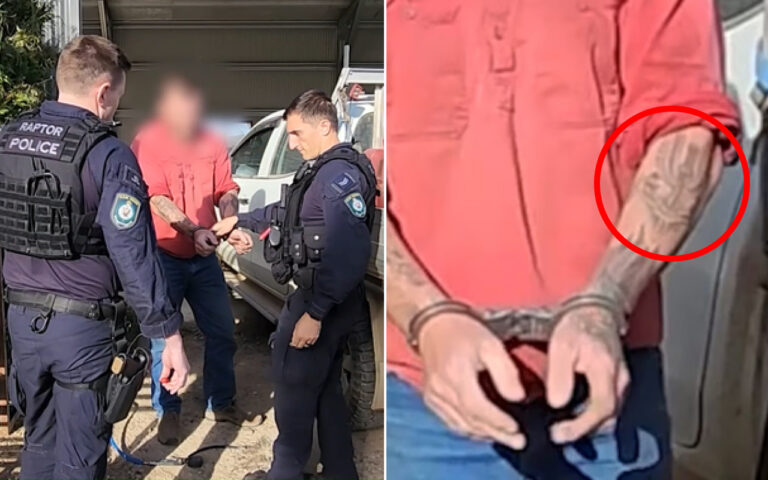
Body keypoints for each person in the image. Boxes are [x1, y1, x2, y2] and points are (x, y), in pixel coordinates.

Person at [386, 1, 740, 479]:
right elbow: (366, 190)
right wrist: (427, 318)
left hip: (607, 389)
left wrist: (604, 303)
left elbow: (687, 126)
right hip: (427, 396)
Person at [0, 35, 189, 480]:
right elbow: (134, 252)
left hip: (21, 326)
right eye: (116, 99)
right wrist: (169, 335)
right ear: (104, 91)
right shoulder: (107, 153)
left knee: (38, 441)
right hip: (79, 331)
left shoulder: (8, 139)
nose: (114, 109)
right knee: (80, 456)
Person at [212, 90, 377, 480]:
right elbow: (286, 215)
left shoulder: (339, 176)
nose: (292, 142)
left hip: (320, 301)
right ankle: (340, 472)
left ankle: (283, 473)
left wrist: (315, 314)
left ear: (325, 125)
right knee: (326, 393)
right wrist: (241, 221)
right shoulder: (321, 171)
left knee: (293, 394)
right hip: (324, 299)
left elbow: (348, 253)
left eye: (297, 133)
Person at [130, 75, 247, 445]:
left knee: (223, 331)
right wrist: (194, 230)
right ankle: (168, 410)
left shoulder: (212, 141)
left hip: (204, 258)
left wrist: (228, 219)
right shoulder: (147, 142)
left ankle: (220, 401)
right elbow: (158, 200)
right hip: (164, 256)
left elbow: (226, 188)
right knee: (166, 338)